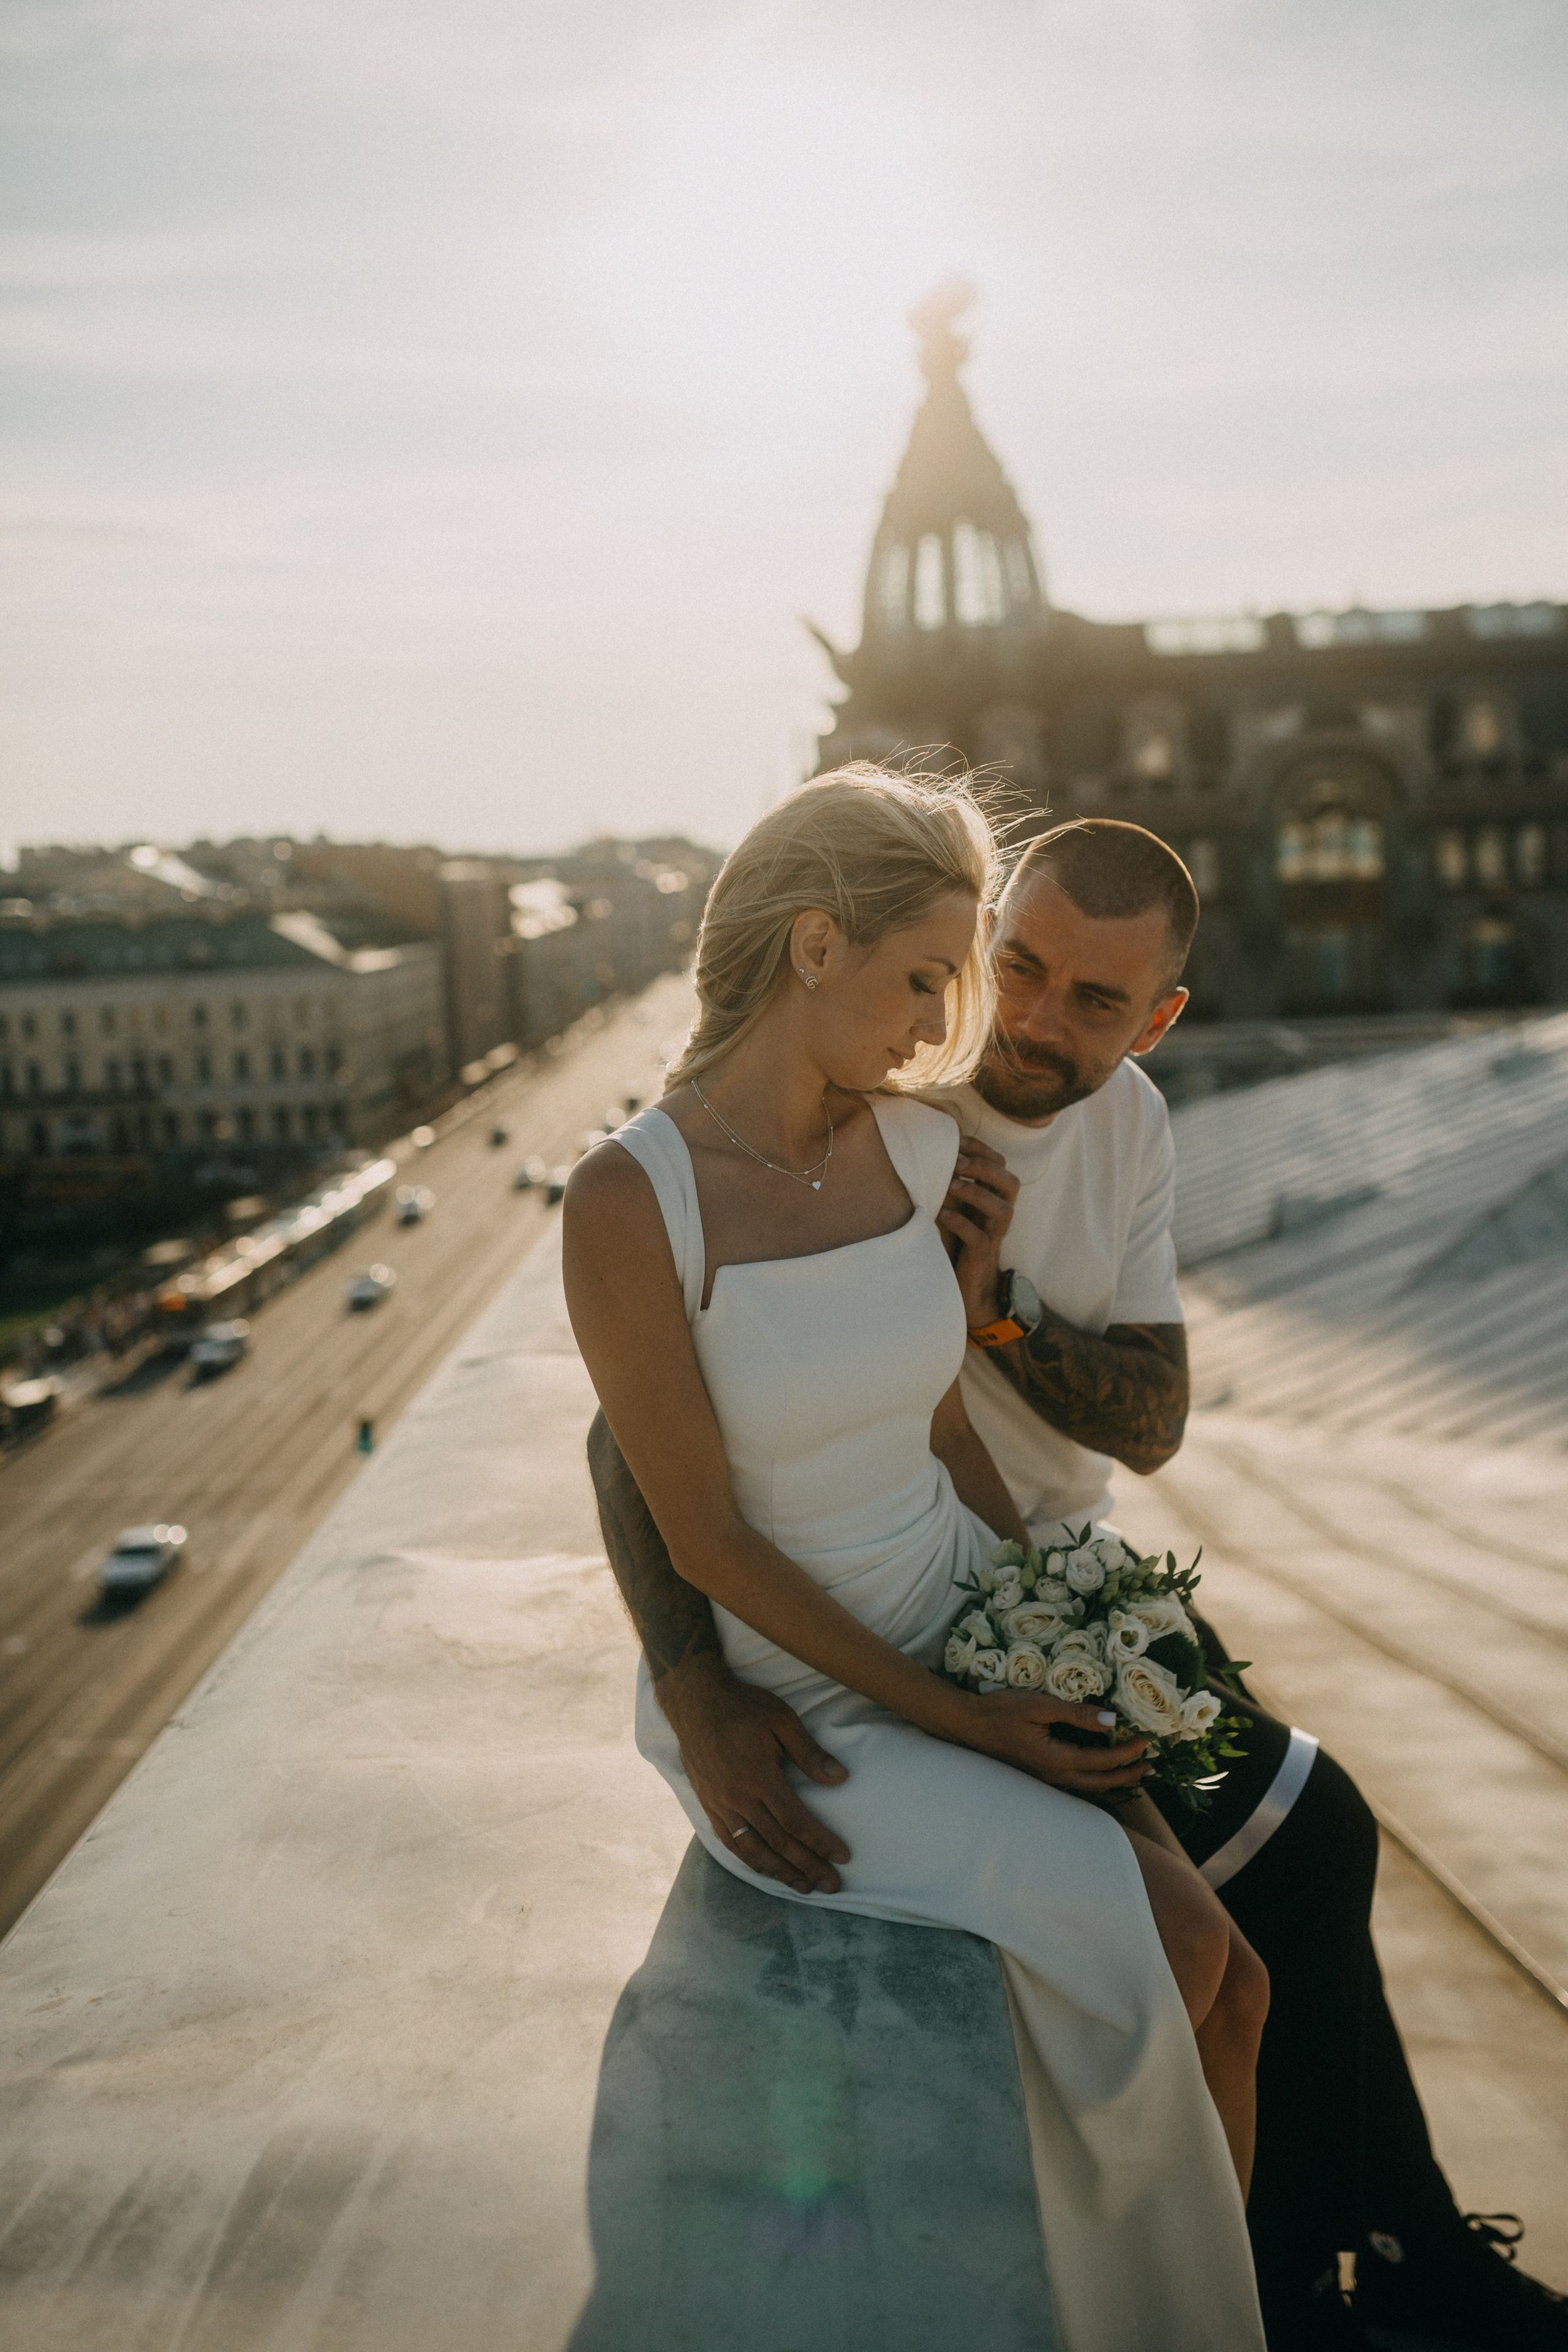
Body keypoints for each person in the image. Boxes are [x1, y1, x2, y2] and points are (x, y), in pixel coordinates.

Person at [589, 816, 1568, 2352]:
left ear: (1156, 1018)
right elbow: (639, 1443)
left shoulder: (1119, 1126)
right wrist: (688, 1678)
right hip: (912, 1607)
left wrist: (996, 1317)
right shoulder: (880, 1084)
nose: (1025, 1021)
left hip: (1045, 1571)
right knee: (1286, 1856)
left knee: (1311, 1832)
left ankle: (1359, 2247)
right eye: (1007, 968)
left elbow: (1157, 1418)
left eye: (1092, 1003)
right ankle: (1344, 2265)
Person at [564, 769, 1267, 2352]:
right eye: (938, 977)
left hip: (962, 1614)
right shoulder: (628, 1198)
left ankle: (1225, 2316)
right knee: (1168, 1952)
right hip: (805, 1690)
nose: (953, 1025)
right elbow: (701, 1530)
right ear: (815, 946)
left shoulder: (905, 1148)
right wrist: (935, 1716)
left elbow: (946, 1436)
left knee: (1236, 1973)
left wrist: (1055, 1624)